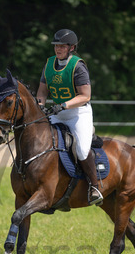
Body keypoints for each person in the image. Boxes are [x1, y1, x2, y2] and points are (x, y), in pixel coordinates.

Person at [36, 28, 103, 206]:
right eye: (56, 45)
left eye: (62, 46)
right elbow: (42, 91)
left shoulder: (77, 66)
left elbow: (85, 96)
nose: (58, 49)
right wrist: (40, 107)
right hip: (57, 113)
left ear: (71, 48)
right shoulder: (49, 64)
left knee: (81, 150)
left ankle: (94, 187)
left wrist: (63, 105)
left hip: (78, 113)